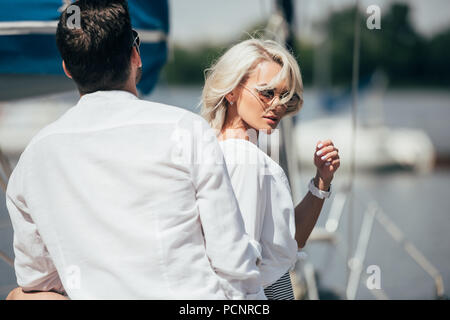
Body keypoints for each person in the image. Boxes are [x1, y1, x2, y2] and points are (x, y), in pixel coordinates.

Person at [6, 0, 264, 300]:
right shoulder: (186, 131)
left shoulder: (33, 159)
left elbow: (40, 283)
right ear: (135, 54)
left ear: (66, 68)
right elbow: (234, 264)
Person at [201, 38, 341, 299]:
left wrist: (321, 183)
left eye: (285, 96)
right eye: (267, 92)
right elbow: (240, 269)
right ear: (230, 91)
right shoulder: (246, 159)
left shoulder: (211, 150)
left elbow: (290, 242)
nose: (277, 104)